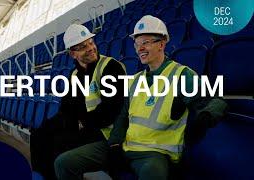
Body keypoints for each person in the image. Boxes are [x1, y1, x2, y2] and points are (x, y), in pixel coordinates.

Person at [54, 15, 228, 180]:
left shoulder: (181, 75)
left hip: (155, 152)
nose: (140, 49)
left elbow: (215, 101)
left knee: (153, 172)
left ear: (162, 43)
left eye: (146, 42)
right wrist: (114, 145)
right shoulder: (135, 80)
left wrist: (206, 117)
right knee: (64, 163)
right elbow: (122, 117)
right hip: (125, 144)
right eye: (137, 44)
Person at [30, 24, 126, 179]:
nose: (90, 48)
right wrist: (52, 125)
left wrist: (82, 123)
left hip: (105, 131)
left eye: (90, 43)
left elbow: (111, 109)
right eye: (82, 47)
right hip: (85, 128)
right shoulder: (75, 75)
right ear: (73, 54)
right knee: (39, 134)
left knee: (58, 145)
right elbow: (66, 109)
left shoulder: (111, 67)